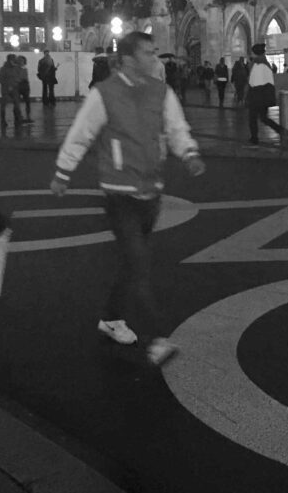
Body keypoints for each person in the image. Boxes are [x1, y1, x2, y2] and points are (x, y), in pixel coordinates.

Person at [50, 31, 204, 366]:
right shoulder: (104, 94)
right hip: (119, 193)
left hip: (151, 191)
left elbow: (176, 128)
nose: (153, 58)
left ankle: (110, 319)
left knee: (131, 265)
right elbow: (81, 135)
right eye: (148, 53)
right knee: (138, 261)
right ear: (129, 58)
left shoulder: (161, 92)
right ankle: (158, 337)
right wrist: (63, 172)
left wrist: (188, 153)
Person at [246, 44, 284, 145]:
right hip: (264, 96)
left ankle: (254, 138)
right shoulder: (265, 63)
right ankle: (281, 131)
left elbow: (253, 81)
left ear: (255, 53)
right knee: (263, 118)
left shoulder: (258, 64)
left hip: (257, 95)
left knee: (252, 118)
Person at [0, 54, 23, 128]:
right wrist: (8, 85)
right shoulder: (3, 69)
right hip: (6, 89)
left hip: (14, 89)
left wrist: (14, 84)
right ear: (9, 60)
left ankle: (17, 119)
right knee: (4, 105)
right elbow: (0, 79)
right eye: (13, 59)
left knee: (16, 104)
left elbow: (19, 78)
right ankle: (3, 120)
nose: (15, 61)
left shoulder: (16, 68)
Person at [16, 56, 33, 122]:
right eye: (20, 61)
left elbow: (26, 78)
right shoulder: (17, 69)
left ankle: (28, 117)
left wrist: (28, 86)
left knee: (27, 102)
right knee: (17, 103)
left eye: (22, 61)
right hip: (19, 86)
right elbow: (18, 77)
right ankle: (19, 117)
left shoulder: (25, 69)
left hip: (25, 86)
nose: (21, 62)